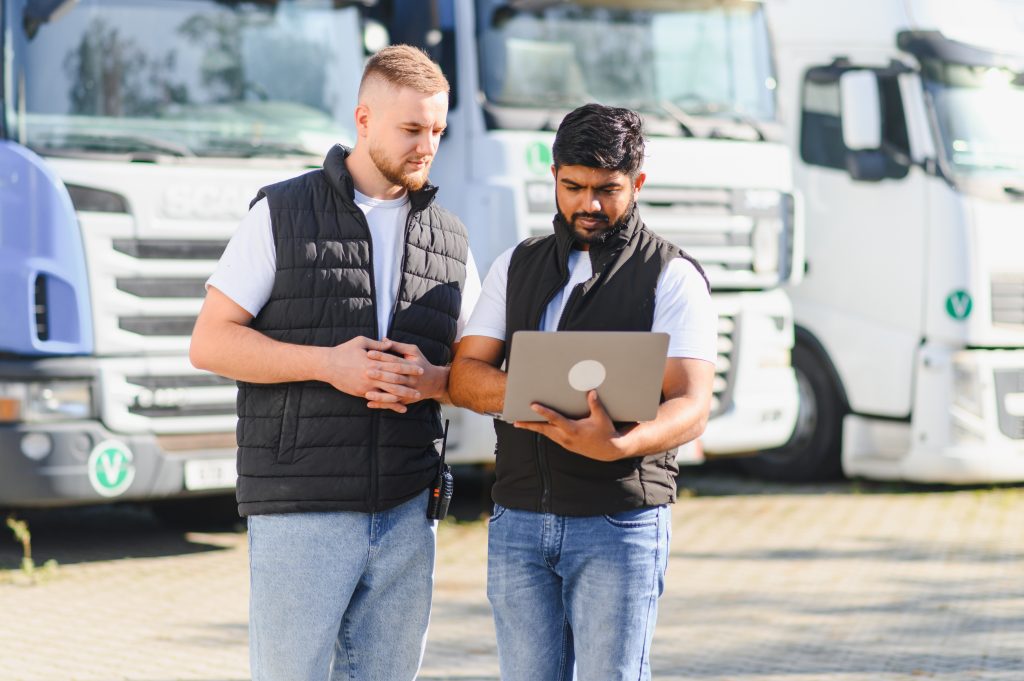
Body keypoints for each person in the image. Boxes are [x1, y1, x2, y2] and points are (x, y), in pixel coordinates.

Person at [189, 45, 480, 681]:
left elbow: (474, 372)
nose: (427, 145)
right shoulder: (282, 212)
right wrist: (329, 365)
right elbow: (209, 341)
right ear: (364, 118)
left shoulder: (451, 238)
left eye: (437, 129)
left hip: (409, 512)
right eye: (411, 129)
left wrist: (433, 380)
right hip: (303, 509)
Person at [448, 103, 717, 680]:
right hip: (518, 517)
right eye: (573, 186)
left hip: (618, 523)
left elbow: (692, 405)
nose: (588, 205)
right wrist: (537, 399)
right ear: (553, 177)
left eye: (607, 190)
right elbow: (465, 375)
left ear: (637, 184)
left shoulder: (671, 275)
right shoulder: (516, 265)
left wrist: (618, 446)